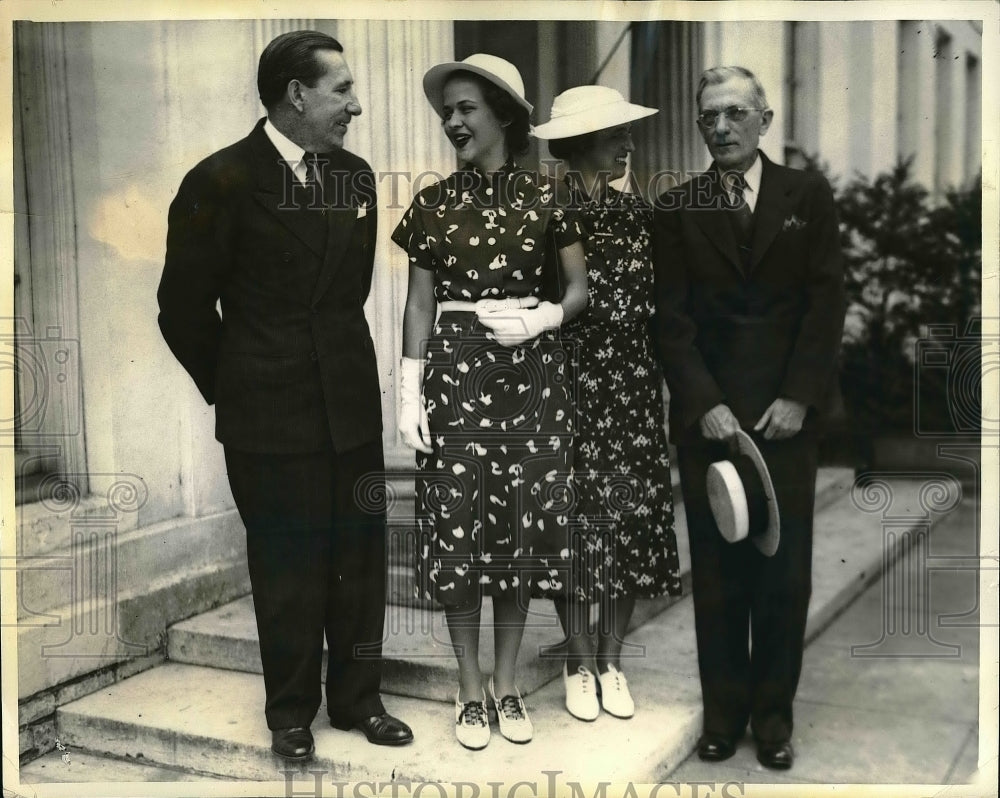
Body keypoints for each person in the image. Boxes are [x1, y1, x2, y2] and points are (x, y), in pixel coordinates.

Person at [157, 30, 412, 762]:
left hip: (348, 407)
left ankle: (360, 699)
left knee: (360, 562)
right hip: (267, 417)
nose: (356, 107)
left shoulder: (356, 179)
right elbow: (180, 310)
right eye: (342, 91)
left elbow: (345, 297)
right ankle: (291, 713)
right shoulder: (221, 180)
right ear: (296, 95)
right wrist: (236, 387)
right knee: (288, 565)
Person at [652, 66, 845, 770]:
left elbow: (827, 305)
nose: (722, 127)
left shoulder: (807, 196)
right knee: (718, 571)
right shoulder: (678, 208)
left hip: (786, 421)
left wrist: (799, 396)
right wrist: (703, 405)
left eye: (736, 113)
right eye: (710, 117)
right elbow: (670, 322)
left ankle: (773, 720)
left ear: (765, 121)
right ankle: (723, 715)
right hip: (713, 422)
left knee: (783, 574)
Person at [392, 54, 588, 750]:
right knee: (458, 532)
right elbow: (418, 303)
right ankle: (468, 687)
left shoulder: (549, 197)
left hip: (529, 377)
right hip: (454, 378)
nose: (453, 121)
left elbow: (578, 291)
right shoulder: (431, 205)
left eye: (467, 108)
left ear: (503, 113)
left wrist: (542, 320)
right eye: (448, 110)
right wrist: (408, 392)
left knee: (514, 535)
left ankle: (506, 685)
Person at [532, 86, 681, 722]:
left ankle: (611, 661)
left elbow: (663, 309)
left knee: (625, 524)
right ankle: (576, 659)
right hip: (566, 385)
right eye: (615, 135)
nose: (628, 145)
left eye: (627, 134)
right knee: (572, 524)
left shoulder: (644, 216)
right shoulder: (546, 214)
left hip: (634, 390)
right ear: (581, 145)